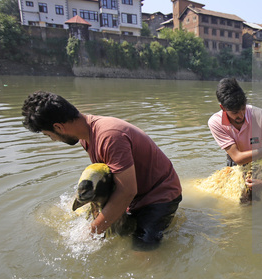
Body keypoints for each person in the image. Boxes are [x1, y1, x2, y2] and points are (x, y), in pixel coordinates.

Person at [22, 91, 182, 250]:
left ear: (58, 127)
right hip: (136, 194)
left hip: (160, 195)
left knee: (141, 251)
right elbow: (108, 175)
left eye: (49, 135)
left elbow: (127, 191)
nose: (54, 139)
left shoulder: (109, 136)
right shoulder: (86, 135)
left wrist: (91, 231)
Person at [207, 77, 262, 190]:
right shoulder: (215, 122)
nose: (241, 115)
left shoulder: (260, 115)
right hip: (236, 164)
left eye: (243, 109)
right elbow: (237, 157)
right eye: (235, 112)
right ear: (222, 108)